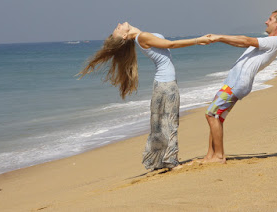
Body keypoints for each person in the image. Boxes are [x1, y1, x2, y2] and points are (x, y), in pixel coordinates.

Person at [78, 22, 210, 170]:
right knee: (171, 122)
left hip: (161, 84)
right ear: (124, 35)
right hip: (167, 85)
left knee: (159, 124)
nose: (118, 24)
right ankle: (171, 161)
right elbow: (171, 44)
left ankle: (158, 160)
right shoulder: (143, 37)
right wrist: (198, 40)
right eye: (117, 28)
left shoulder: (139, 37)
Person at [199, 10, 277, 164]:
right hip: (233, 83)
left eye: (270, 19)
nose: (266, 22)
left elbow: (245, 40)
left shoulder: (274, 41)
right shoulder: (268, 42)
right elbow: (239, 42)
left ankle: (219, 156)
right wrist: (217, 40)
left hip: (236, 84)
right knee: (217, 117)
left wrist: (219, 36)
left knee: (211, 114)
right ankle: (210, 155)